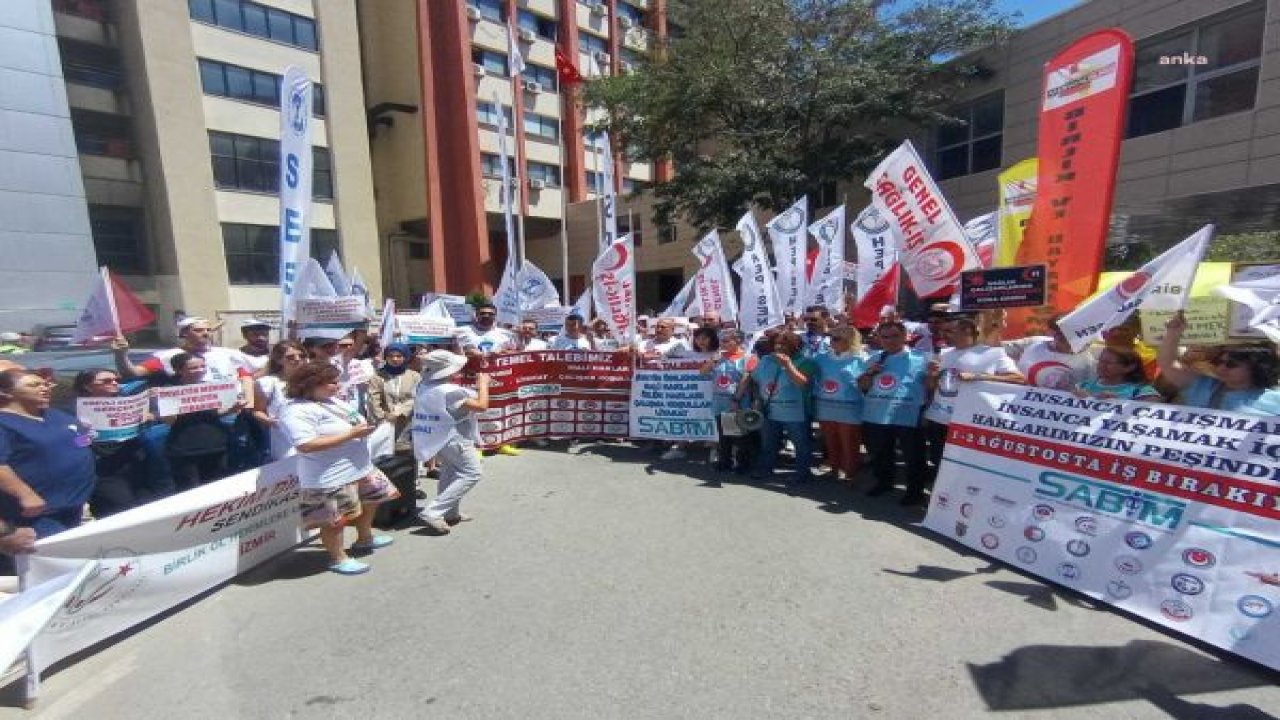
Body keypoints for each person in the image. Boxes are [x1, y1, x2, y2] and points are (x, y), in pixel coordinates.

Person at [280, 361, 398, 575]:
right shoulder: (296, 411)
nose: (338, 386)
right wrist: (351, 435)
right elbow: (306, 445)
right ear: (310, 384)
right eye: (331, 382)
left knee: (371, 501)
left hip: (360, 468)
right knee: (334, 521)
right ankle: (338, 558)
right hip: (330, 475)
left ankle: (365, 538)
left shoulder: (331, 401)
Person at [923, 318, 1022, 487]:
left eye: (949, 331)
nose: (943, 335)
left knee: (963, 466)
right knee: (939, 462)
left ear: (967, 332)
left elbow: (1019, 379)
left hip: (968, 421)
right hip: (939, 418)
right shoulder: (943, 354)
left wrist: (978, 377)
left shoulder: (992, 353)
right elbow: (931, 386)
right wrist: (931, 376)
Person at [0, 369, 95, 544]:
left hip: (77, 505)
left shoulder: (58, 416)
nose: (44, 388)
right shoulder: (4, 423)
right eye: (34, 385)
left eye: (45, 384)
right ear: (5, 392)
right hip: (38, 514)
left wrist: (88, 437)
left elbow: (77, 443)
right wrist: (25, 494)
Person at [412, 350, 490, 535]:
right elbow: (482, 406)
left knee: (450, 471)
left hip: (437, 436)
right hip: (454, 436)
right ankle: (434, 511)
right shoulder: (449, 390)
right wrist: (484, 385)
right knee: (472, 472)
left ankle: (450, 512)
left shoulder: (424, 384)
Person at [858, 322, 929, 505]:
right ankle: (883, 482)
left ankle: (914, 491)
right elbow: (862, 387)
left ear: (905, 336)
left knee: (913, 456)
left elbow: (930, 387)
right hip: (877, 413)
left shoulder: (922, 358)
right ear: (879, 338)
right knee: (881, 453)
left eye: (895, 336)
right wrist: (869, 374)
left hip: (908, 414)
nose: (890, 341)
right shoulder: (874, 358)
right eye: (885, 337)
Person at [1158, 312, 1280, 415]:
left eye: (1231, 364)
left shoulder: (1276, 399)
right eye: (1219, 362)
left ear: (1256, 367)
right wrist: (1173, 332)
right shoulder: (1203, 385)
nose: (1221, 368)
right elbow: (1168, 364)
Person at [74, 368, 151, 517]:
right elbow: (73, 444)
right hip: (104, 470)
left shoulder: (128, 402)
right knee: (122, 508)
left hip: (135, 462)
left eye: (116, 380)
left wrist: (147, 419)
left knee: (145, 505)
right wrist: (87, 437)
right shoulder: (74, 410)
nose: (115, 383)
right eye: (107, 381)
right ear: (87, 386)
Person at [162, 353, 243, 490]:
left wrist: (233, 408)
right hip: (185, 450)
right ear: (179, 370)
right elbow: (169, 421)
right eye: (193, 368)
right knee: (190, 491)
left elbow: (214, 414)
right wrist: (184, 404)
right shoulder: (169, 390)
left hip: (216, 445)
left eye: (203, 366)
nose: (200, 370)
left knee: (216, 489)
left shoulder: (209, 387)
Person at [750, 331, 815, 483]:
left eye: (783, 344)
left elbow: (802, 383)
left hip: (795, 412)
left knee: (801, 444)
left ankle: (802, 473)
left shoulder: (806, 362)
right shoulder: (766, 359)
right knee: (768, 442)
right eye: (776, 343)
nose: (779, 347)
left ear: (795, 345)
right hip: (770, 409)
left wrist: (788, 365)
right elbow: (756, 380)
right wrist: (757, 401)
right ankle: (766, 468)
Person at [811, 327, 867, 483]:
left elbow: (864, 384)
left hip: (849, 406)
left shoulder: (860, 359)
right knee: (830, 440)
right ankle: (834, 469)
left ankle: (850, 473)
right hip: (825, 404)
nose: (831, 342)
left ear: (848, 341)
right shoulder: (821, 358)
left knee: (849, 442)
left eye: (836, 339)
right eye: (831, 338)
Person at [705, 329, 755, 474]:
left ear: (738, 341)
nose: (722, 343)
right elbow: (702, 372)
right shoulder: (719, 357)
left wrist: (736, 399)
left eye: (726, 341)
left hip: (737, 401)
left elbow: (746, 380)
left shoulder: (748, 357)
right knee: (723, 434)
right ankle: (724, 461)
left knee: (740, 435)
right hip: (719, 400)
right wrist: (713, 360)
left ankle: (742, 464)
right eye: (722, 340)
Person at [1002, 315, 1096, 391]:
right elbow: (998, 349)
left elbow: (1091, 391)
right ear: (1055, 335)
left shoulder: (1088, 363)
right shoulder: (1035, 342)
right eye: (1065, 338)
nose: (1072, 344)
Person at [252, 340, 307, 461]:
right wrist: (271, 421)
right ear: (279, 360)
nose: (298, 359)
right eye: (290, 357)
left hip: (312, 436)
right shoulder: (268, 383)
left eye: (301, 356)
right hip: (284, 441)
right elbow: (257, 411)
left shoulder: (313, 381)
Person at [366, 343, 421, 454]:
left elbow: (418, 398)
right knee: (383, 456)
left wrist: (400, 412)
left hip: (407, 422)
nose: (394, 359)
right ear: (386, 357)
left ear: (405, 357)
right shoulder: (377, 376)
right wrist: (384, 417)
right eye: (390, 356)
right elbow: (373, 400)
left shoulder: (414, 376)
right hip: (384, 423)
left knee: (405, 457)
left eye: (399, 356)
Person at [1076, 347, 1162, 401]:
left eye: (1108, 363)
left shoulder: (1143, 392)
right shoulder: (1083, 386)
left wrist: (1119, 403)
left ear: (1129, 367)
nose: (1101, 365)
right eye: (1100, 361)